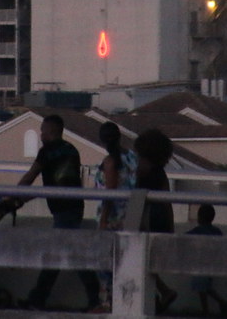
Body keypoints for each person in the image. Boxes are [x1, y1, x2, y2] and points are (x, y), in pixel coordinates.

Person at [16, 114, 101, 311]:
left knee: (70, 256)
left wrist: (14, 195)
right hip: (74, 207)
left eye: (43, 131)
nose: (41, 134)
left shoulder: (47, 152)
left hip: (63, 211)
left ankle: (94, 298)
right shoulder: (71, 150)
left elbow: (31, 176)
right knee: (60, 255)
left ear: (51, 131)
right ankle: (39, 298)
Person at [92, 121, 137, 312]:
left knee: (104, 262)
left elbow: (110, 194)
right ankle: (121, 302)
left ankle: (107, 303)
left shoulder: (110, 162)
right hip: (130, 215)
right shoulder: (132, 157)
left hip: (111, 219)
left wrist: (103, 221)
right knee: (123, 262)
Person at [134, 128, 178, 314]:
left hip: (145, 218)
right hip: (159, 218)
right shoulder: (160, 173)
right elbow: (167, 201)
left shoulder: (140, 170)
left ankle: (159, 294)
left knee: (138, 259)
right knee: (144, 261)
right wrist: (170, 225)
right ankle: (160, 293)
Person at [187, 204, 227, 316]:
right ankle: (215, 306)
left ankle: (211, 308)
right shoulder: (216, 231)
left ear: (200, 217)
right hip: (212, 263)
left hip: (201, 263)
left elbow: (183, 238)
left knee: (202, 288)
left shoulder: (198, 231)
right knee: (204, 288)